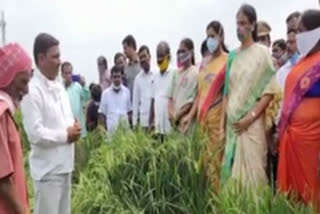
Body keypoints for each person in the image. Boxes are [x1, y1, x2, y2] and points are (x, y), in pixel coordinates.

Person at [21, 33, 81, 214]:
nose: (59, 61)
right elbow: (35, 133)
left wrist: (74, 125)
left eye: (59, 56)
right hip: (48, 173)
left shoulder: (59, 85)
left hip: (64, 166)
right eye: (55, 56)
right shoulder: (32, 90)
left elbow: (62, 119)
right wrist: (66, 135)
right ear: (41, 58)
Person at [220, 4, 278, 186]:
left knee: (253, 180)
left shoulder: (262, 54)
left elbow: (269, 92)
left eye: (243, 23)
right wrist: (223, 126)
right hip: (233, 127)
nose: (239, 28)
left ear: (253, 25)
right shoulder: (232, 57)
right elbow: (227, 93)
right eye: (237, 23)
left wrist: (250, 117)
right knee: (233, 182)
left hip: (252, 127)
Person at [278, 9, 320, 211]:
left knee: (313, 195)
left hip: (313, 146)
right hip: (292, 141)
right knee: (293, 200)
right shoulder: (300, 64)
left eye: (301, 31)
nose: (297, 36)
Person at [195, 21, 229, 189]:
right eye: (207, 36)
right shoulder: (204, 62)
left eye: (213, 36)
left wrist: (223, 125)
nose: (210, 40)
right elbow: (199, 94)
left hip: (217, 121)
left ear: (221, 37)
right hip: (201, 122)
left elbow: (227, 94)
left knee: (216, 164)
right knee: (202, 165)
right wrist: (189, 117)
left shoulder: (228, 60)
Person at [0, 43, 32, 214]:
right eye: (23, 81)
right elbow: (3, 181)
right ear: (6, 78)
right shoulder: (1, 114)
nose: (26, 90)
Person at [168, 38, 198, 134]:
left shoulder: (195, 73)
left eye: (183, 51)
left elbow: (192, 101)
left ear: (191, 52)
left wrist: (177, 116)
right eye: (179, 51)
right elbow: (170, 98)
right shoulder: (175, 73)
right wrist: (171, 114)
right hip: (174, 123)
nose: (181, 54)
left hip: (185, 121)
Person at [149, 41, 173, 140]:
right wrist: (150, 121)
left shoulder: (175, 74)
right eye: (157, 56)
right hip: (157, 128)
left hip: (170, 128)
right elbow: (153, 100)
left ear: (169, 56)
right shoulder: (154, 75)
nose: (159, 59)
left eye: (162, 56)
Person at [98, 66, 132, 136]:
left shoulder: (127, 92)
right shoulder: (105, 94)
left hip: (125, 133)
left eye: (118, 77)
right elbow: (102, 114)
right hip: (111, 133)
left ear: (121, 77)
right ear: (111, 78)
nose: (117, 79)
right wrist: (103, 131)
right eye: (115, 77)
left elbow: (129, 112)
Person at [61, 61, 90, 137]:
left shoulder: (77, 86)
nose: (68, 75)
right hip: (66, 130)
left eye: (69, 73)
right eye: (66, 73)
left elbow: (87, 97)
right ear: (62, 74)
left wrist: (84, 85)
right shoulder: (59, 89)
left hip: (79, 129)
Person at [132, 45, 154, 130]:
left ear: (150, 57)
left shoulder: (157, 74)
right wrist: (134, 123)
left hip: (156, 122)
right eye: (140, 57)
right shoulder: (138, 79)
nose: (143, 59)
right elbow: (135, 103)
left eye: (144, 56)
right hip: (143, 123)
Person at [122, 35, 141, 99]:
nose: (124, 51)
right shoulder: (126, 68)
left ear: (131, 46)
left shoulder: (141, 64)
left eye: (125, 48)